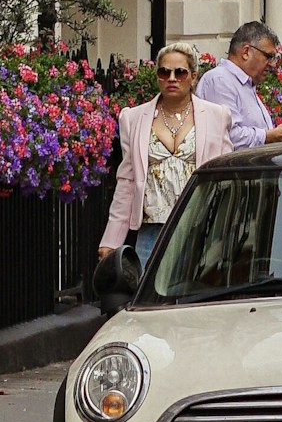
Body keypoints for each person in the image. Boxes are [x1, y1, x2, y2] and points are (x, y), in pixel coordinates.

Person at [98, 49, 231, 272]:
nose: (171, 79)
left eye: (180, 72)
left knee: (195, 298)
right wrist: (111, 241)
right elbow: (127, 182)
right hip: (152, 230)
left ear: (193, 76)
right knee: (149, 300)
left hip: (200, 227)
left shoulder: (217, 116)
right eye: (164, 72)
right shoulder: (133, 118)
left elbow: (225, 178)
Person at [199, 20, 282, 149]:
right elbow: (227, 137)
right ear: (246, 52)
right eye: (269, 56)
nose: (272, 64)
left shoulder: (244, 84)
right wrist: (272, 136)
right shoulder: (219, 80)